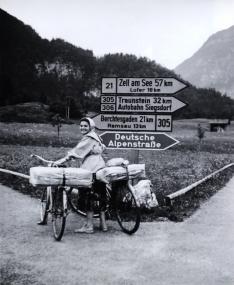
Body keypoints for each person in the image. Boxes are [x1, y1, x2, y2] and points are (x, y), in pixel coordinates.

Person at [53, 117, 107, 234]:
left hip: (91, 168)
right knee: (100, 194)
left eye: (85, 126)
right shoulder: (96, 136)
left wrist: (62, 160)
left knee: (87, 195)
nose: (82, 127)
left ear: (90, 127)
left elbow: (77, 152)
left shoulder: (89, 137)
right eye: (81, 125)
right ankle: (103, 224)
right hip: (101, 167)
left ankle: (89, 226)